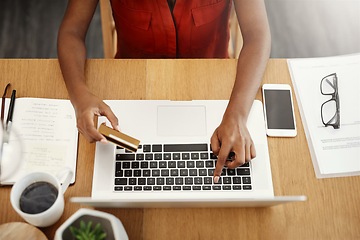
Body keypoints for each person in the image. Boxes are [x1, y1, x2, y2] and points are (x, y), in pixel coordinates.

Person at [57, 0, 271, 183]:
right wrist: (80, 96)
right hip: (133, 91)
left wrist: (237, 114)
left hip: (215, 92)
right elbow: (71, 32)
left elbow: (257, 34)